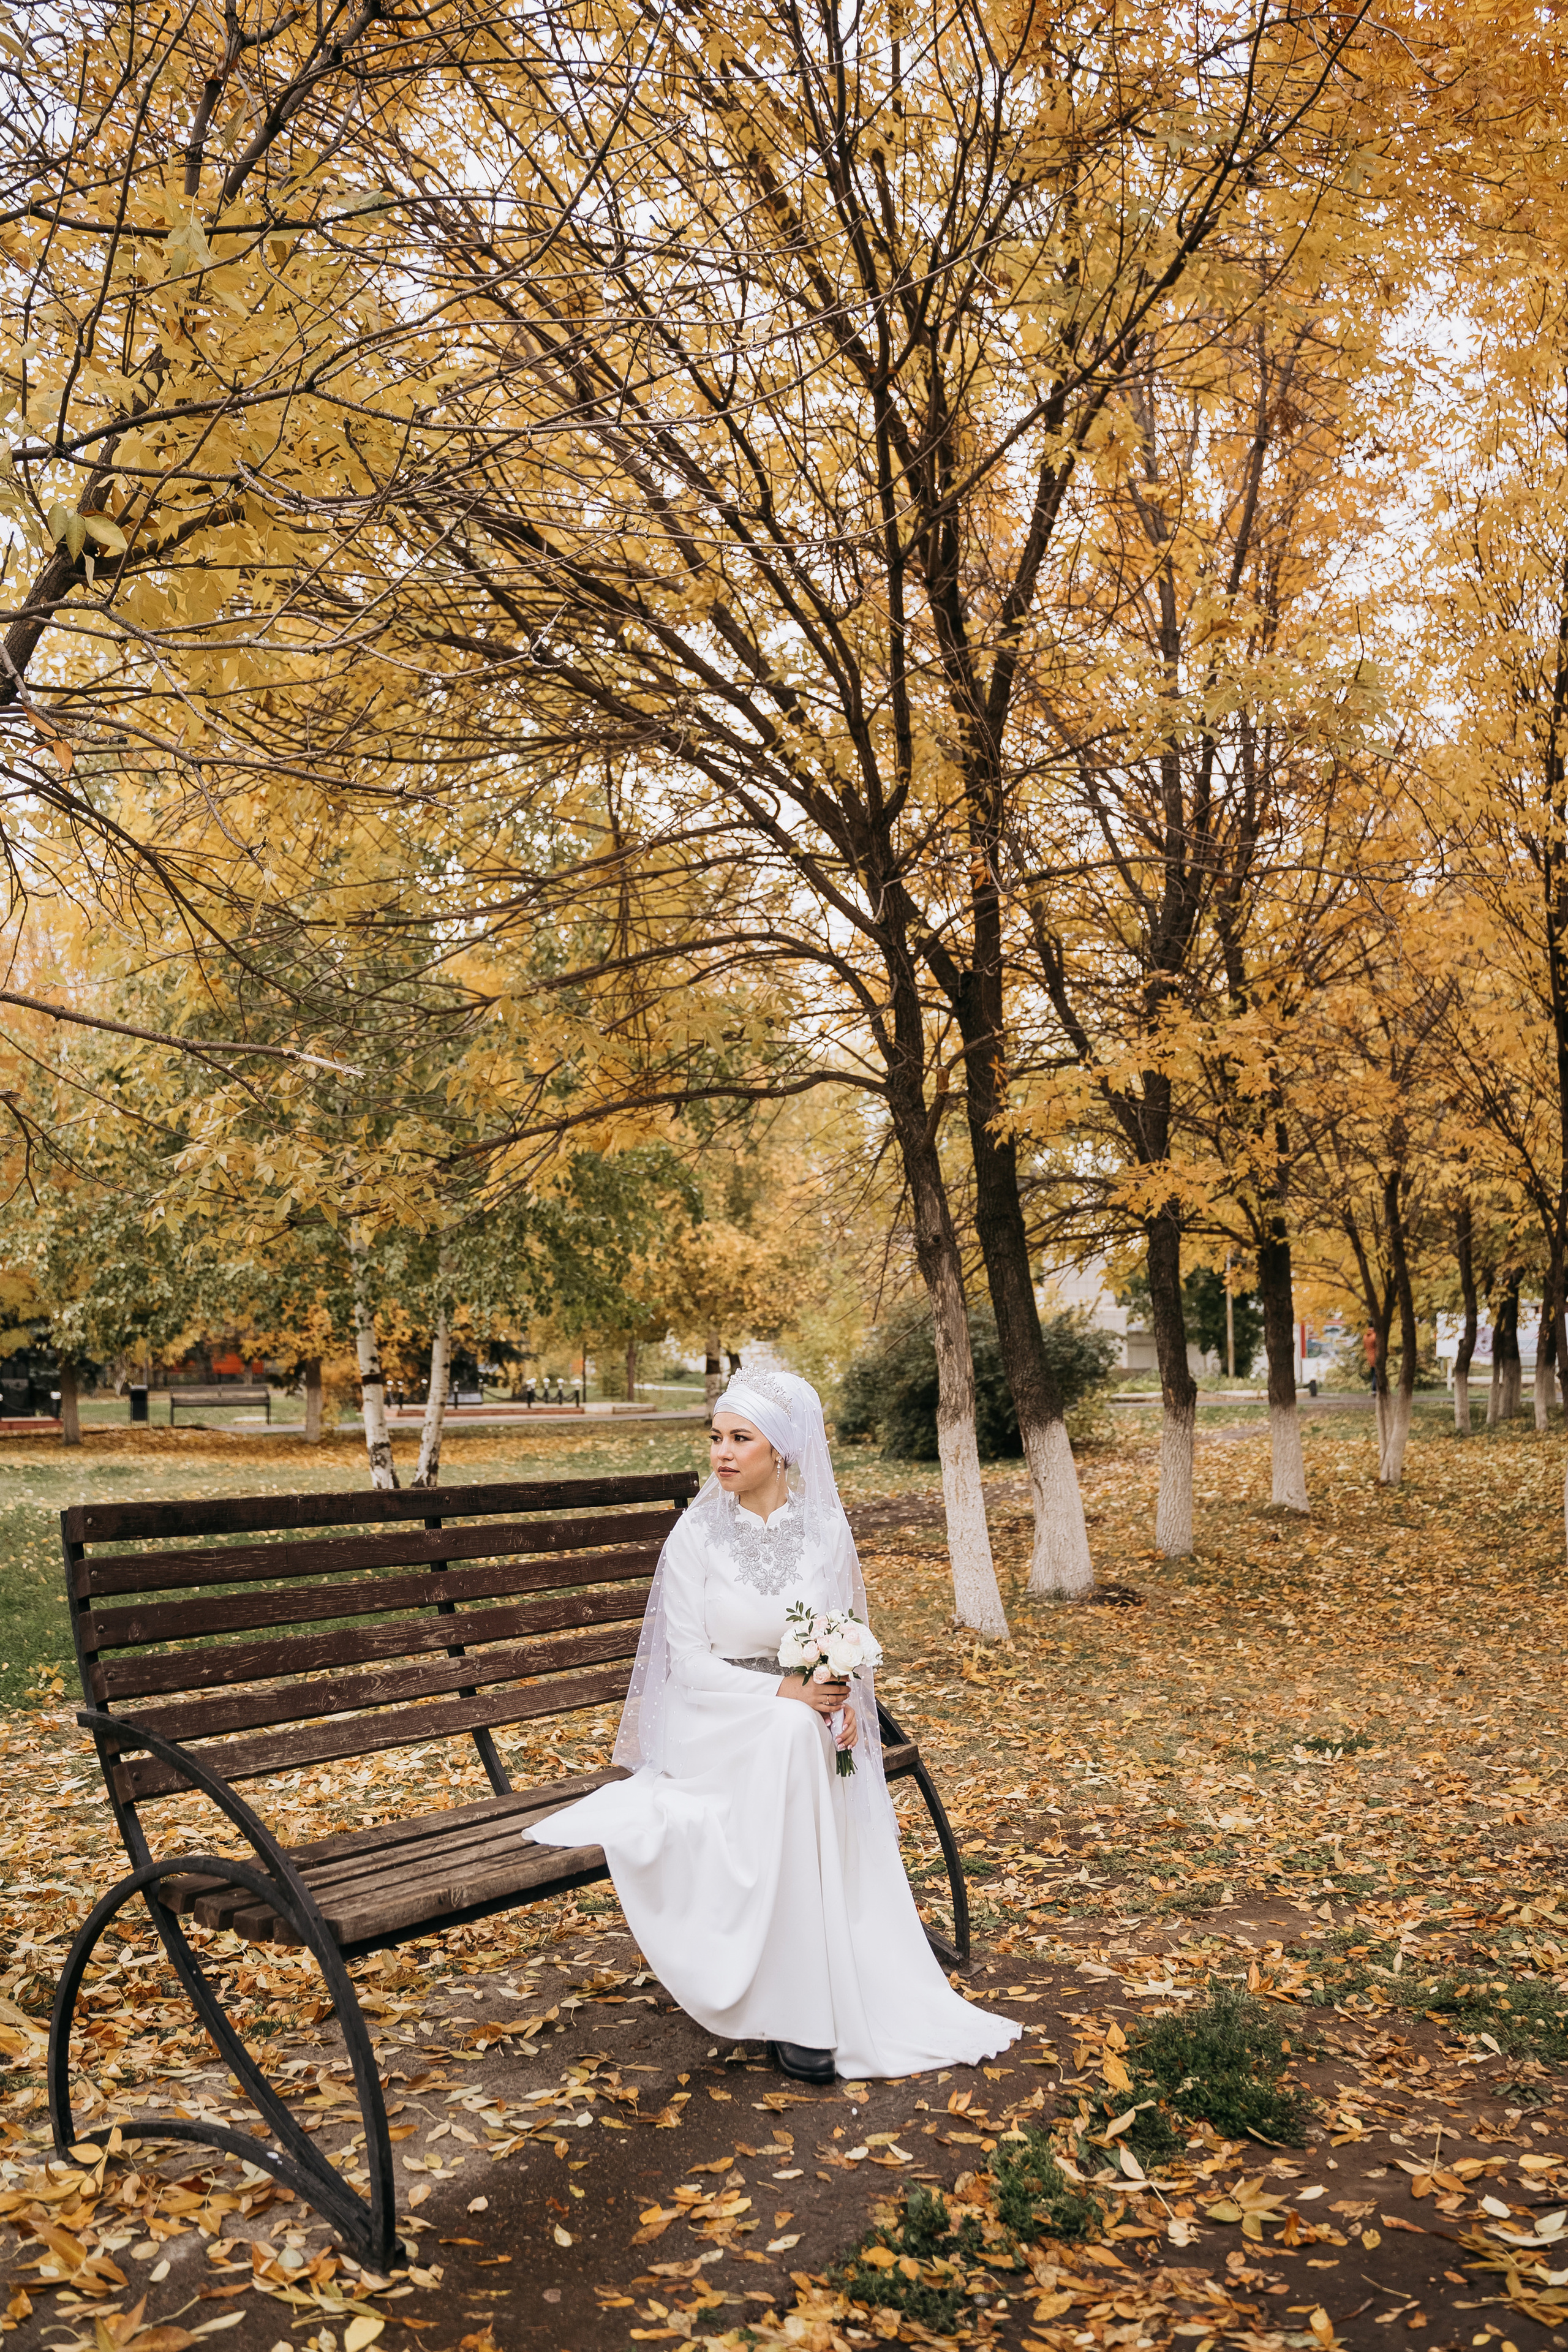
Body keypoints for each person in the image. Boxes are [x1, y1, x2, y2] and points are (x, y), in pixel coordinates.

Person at [526, 1366, 1019, 2084]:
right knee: (792, 1732)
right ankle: (802, 2012)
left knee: (802, 1736)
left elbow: (841, 1636)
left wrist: (841, 1699)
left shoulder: (823, 1530)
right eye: (716, 1438)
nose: (722, 1453)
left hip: (803, 1716)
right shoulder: (695, 1537)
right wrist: (787, 1696)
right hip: (714, 1722)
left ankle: (812, 1999)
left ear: (781, 1450)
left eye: (740, 1439)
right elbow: (688, 1666)